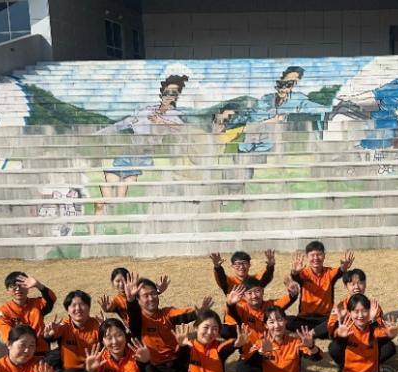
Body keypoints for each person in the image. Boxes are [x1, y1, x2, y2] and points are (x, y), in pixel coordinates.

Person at [95, 75, 189, 215]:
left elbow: (183, 129)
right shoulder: (146, 111)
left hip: (144, 156)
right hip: (129, 153)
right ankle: (103, 205)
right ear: (161, 94)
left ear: (176, 97)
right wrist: (100, 133)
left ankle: (108, 204)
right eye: (167, 92)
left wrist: (161, 122)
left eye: (173, 93)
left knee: (123, 190)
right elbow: (124, 123)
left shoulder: (174, 116)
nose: (169, 96)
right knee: (110, 180)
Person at [124, 272, 213, 372]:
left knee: (188, 350)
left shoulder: (167, 313)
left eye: (153, 294)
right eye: (146, 296)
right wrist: (130, 301)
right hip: (155, 368)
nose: (151, 298)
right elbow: (133, 316)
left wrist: (198, 312)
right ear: (138, 300)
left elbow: (183, 314)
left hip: (175, 363)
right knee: (146, 369)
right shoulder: (138, 320)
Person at [225, 276, 300, 372]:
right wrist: (230, 304)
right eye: (249, 293)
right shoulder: (242, 309)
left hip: (271, 351)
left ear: (263, 291)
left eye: (257, 291)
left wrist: (293, 294)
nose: (254, 296)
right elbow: (233, 312)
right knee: (241, 368)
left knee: (287, 362)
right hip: (253, 352)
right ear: (244, 296)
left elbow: (286, 300)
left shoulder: (271, 306)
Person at [328, 294, 398, 372]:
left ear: (369, 312)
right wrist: (341, 337)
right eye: (356, 311)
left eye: (364, 311)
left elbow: (385, 335)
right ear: (349, 313)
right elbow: (336, 346)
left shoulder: (375, 331)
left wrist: (391, 334)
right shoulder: (345, 330)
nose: (360, 315)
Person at [244, 306, 324, 372]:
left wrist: (311, 346)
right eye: (271, 322)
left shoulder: (296, 342)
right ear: (266, 325)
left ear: (285, 321)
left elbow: (317, 357)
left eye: (279, 320)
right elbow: (246, 365)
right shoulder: (260, 343)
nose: (277, 325)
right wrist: (261, 352)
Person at [327, 269, 396, 372]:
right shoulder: (339, 307)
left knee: (389, 347)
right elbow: (332, 332)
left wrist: (372, 320)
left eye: (360, 283)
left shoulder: (373, 306)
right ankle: (346, 367)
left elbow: (381, 333)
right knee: (334, 347)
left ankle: (373, 366)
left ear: (365, 284)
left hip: (368, 345)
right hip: (351, 345)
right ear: (346, 286)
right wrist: (339, 325)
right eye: (352, 284)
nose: (356, 287)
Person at [287, 241, 355, 339]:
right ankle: (318, 332)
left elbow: (340, 271)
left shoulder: (329, 273)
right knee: (284, 319)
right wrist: (294, 271)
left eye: (319, 254)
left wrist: (344, 266)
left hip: (324, 319)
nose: (316, 258)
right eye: (312, 255)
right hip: (305, 319)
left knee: (341, 318)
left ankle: (310, 334)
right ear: (307, 257)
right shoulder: (304, 273)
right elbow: (295, 277)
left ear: (324, 256)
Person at [173, 310, 247, 372]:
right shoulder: (189, 347)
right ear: (196, 327)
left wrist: (236, 343)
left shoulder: (218, 348)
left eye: (215, 329)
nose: (209, 332)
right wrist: (182, 346)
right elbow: (179, 359)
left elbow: (228, 346)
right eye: (206, 327)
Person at [42, 290, 101, 372]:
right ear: (67, 310)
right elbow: (52, 336)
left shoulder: (97, 326)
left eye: (82, 304)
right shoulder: (64, 326)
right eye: (73, 305)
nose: (78, 308)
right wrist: (48, 334)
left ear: (89, 307)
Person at [84, 318, 150, 372]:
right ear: (102, 341)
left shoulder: (137, 355)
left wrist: (146, 362)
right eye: (109, 338)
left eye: (119, 335)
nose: (115, 341)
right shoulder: (99, 359)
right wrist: (90, 370)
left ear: (125, 335)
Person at [0, 272, 56, 355]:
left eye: (21, 285)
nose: (18, 289)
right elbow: (8, 336)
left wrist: (39, 285)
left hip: (41, 351)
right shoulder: (3, 311)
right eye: (13, 286)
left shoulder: (37, 303)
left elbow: (52, 299)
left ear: (28, 287)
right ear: (7, 290)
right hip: (19, 353)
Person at [98, 267, 170, 326]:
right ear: (112, 283)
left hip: (153, 324)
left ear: (130, 280)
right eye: (117, 281)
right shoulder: (116, 301)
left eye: (124, 280)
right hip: (136, 330)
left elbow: (148, 296)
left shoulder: (138, 290)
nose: (121, 284)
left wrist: (158, 291)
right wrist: (107, 309)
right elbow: (111, 307)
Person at [210, 249, 276, 295]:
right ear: (232, 266)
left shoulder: (255, 280)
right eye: (238, 264)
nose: (241, 267)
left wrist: (270, 266)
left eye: (244, 263)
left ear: (249, 265)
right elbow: (221, 278)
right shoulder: (229, 282)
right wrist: (217, 267)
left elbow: (266, 277)